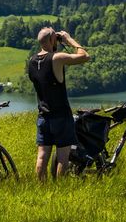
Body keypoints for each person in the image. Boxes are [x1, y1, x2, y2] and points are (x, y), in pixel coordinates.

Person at [27, 27, 91, 181]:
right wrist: (68, 39)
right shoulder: (56, 58)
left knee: (42, 157)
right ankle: (60, 188)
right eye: (55, 37)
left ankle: (41, 188)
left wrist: (55, 39)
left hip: (43, 116)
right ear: (51, 40)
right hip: (61, 116)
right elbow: (84, 56)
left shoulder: (32, 62)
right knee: (63, 158)